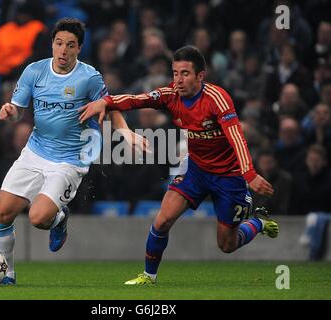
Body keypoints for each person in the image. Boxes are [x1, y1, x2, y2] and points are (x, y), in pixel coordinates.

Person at [79, 45, 279, 285]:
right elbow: (136, 100)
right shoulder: (171, 95)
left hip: (229, 175)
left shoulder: (217, 99)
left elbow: (237, 136)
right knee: (163, 220)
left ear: (200, 76)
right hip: (195, 169)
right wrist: (107, 102)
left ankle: (257, 223)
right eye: (175, 73)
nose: (178, 80)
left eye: (184, 73)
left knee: (227, 244)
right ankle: (149, 276)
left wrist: (250, 175)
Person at [0, 18, 146, 285]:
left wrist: (125, 132)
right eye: (59, 43)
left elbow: (108, 106)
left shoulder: (88, 77)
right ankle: (6, 274)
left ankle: (58, 218)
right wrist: (11, 112)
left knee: (38, 218)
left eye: (70, 45)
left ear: (79, 49)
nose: (63, 50)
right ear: (52, 44)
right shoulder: (34, 71)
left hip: (70, 158)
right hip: (36, 150)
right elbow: (18, 111)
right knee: (2, 213)